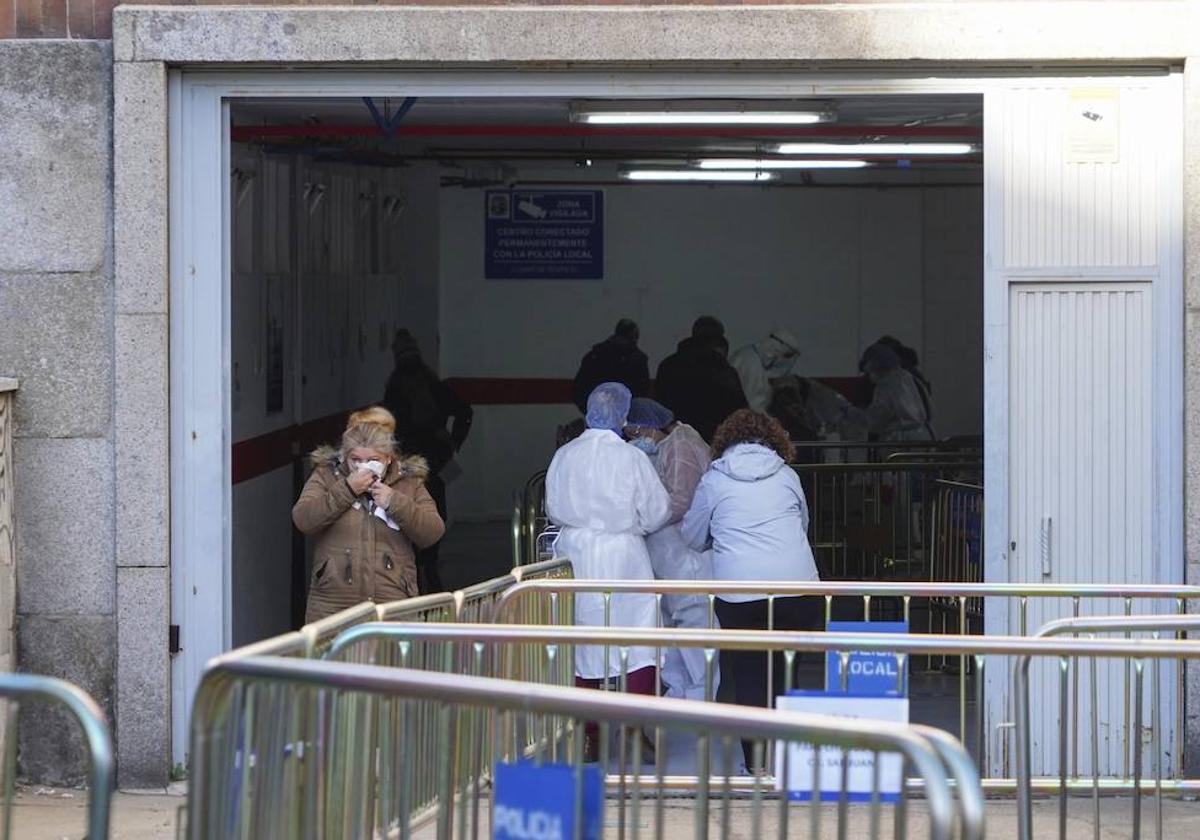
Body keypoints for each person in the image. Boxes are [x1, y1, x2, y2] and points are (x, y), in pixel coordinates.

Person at [681, 409, 821, 765]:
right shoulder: (787, 475)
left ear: (725, 442)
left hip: (741, 593)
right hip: (798, 590)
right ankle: (789, 758)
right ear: (775, 440)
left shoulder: (714, 480)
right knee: (786, 670)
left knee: (748, 676)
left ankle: (757, 763)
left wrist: (723, 537)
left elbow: (692, 537)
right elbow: (802, 524)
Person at [546, 383, 671, 757]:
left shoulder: (565, 455)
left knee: (583, 639)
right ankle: (635, 727)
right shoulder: (632, 458)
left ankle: (589, 733)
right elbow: (658, 511)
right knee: (638, 638)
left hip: (576, 553)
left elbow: (553, 506)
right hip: (624, 554)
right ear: (624, 415)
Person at [292, 406, 445, 622]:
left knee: (390, 657)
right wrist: (346, 489)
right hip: (333, 606)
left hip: (392, 604)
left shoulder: (408, 481)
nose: (363, 467)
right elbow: (303, 519)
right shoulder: (327, 474)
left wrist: (394, 501)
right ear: (345, 456)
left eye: (372, 460)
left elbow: (432, 532)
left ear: (388, 458)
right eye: (356, 460)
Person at [624, 397, 720, 701]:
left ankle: (702, 693)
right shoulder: (669, 444)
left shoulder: (680, 446)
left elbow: (682, 499)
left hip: (684, 553)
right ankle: (681, 689)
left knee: (694, 620)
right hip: (668, 553)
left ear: (650, 427)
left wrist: (642, 518)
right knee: (674, 622)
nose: (634, 440)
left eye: (635, 433)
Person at [381, 329, 473, 594]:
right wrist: (453, 443)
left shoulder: (395, 386)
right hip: (434, 462)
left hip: (406, 463)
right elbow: (465, 411)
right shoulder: (433, 382)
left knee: (404, 515)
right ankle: (430, 567)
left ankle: (415, 569)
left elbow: (389, 426)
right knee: (434, 512)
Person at [654, 316, 748, 441]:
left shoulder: (668, 364)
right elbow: (738, 409)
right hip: (711, 438)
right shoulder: (721, 369)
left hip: (674, 435)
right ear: (718, 338)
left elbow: (659, 403)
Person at [856, 342, 935, 441]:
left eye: (869, 372)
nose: (869, 377)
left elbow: (877, 418)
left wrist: (851, 414)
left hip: (901, 441)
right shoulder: (910, 378)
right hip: (925, 436)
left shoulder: (887, 385)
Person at [571, 319, 651, 414]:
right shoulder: (637, 360)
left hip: (599, 414)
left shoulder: (596, 356)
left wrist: (591, 411)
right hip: (626, 417)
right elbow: (642, 393)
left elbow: (580, 389)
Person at [729, 329, 802, 413]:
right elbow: (751, 402)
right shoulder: (748, 361)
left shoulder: (760, 363)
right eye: (787, 355)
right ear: (778, 349)